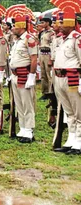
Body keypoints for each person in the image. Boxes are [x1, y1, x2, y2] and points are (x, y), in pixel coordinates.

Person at [52, 10, 81, 154]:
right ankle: (71, 139)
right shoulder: (62, 39)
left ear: (71, 23)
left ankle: (79, 141)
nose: (59, 25)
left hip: (72, 78)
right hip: (59, 78)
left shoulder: (77, 38)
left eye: (62, 22)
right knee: (68, 111)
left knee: (78, 111)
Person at [9, 15, 38, 143]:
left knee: (27, 103)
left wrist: (31, 77)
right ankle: (22, 128)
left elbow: (34, 59)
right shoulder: (17, 40)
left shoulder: (29, 39)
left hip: (24, 75)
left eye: (15, 26)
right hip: (15, 75)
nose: (13, 28)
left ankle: (29, 129)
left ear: (21, 26)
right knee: (19, 103)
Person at [37, 15, 55, 101]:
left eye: (43, 22)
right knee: (43, 74)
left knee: (49, 74)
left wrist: (51, 59)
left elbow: (53, 46)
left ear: (48, 23)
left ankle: (51, 92)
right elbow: (39, 45)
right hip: (42, 54)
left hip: (48, 54)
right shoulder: (42, 33)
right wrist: (38, 57)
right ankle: (44, 92)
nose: (41, 24)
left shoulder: (52, 33)